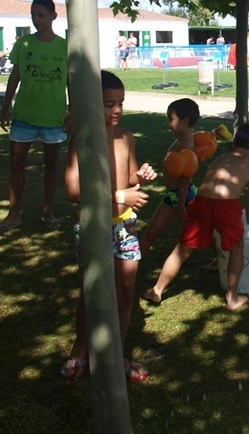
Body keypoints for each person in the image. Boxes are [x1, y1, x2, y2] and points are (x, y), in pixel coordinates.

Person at [61, 70, 158, 381]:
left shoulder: (126, 137)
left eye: (120, 103)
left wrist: (140, 177)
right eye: (108, 104)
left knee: (125, 291)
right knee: (90, 291)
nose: (116, 110)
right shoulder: (83, 140)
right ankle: (80, 349)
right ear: (93, 105)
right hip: (94, 226)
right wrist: (120, 196)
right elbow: (73, 191)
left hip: (124, 227)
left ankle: (116, 353)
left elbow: (129, 177)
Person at [143, 122, 249, 311]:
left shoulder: (222, 158)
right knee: (237, 247)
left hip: (201, 202)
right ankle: (232, 297)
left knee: (182, 249)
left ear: (234, 144)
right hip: (227, 206)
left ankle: (157, 290)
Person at [0, 0, 69, 233]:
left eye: (41, 15)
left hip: (53, 117)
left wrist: (72, 110)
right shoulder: (23, 44)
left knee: (51, 166)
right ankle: (13, 215)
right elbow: (15, 76)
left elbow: (70, 81)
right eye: (33, 15)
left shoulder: (65, 47)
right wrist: (5, 107)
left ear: (53, 16)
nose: (36, 20)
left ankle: (48, 212)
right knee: (16, 165)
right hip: (23, 115)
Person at [138, 98, 200, 257]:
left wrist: (180, 205)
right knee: (202, 229)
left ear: (185, 121)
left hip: (181, 195)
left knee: (151, 232)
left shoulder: (185, 146)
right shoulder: (184, 140)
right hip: (177, 194)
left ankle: (132, 264)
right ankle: (132, 264)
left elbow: (185, 178)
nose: (168, 123)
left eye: (171, 119)